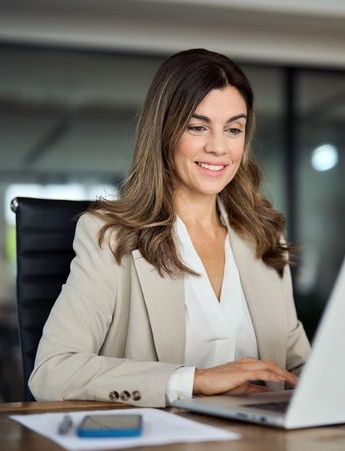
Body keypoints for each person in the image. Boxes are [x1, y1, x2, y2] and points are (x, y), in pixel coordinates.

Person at [29, 49, 310, 407]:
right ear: (164, 130)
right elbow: (53, 372)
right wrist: (194, 381)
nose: (219, 147)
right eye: (197, 127)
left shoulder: (263, 236)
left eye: (233, 129)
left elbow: (296, 363)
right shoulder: (110, 236)